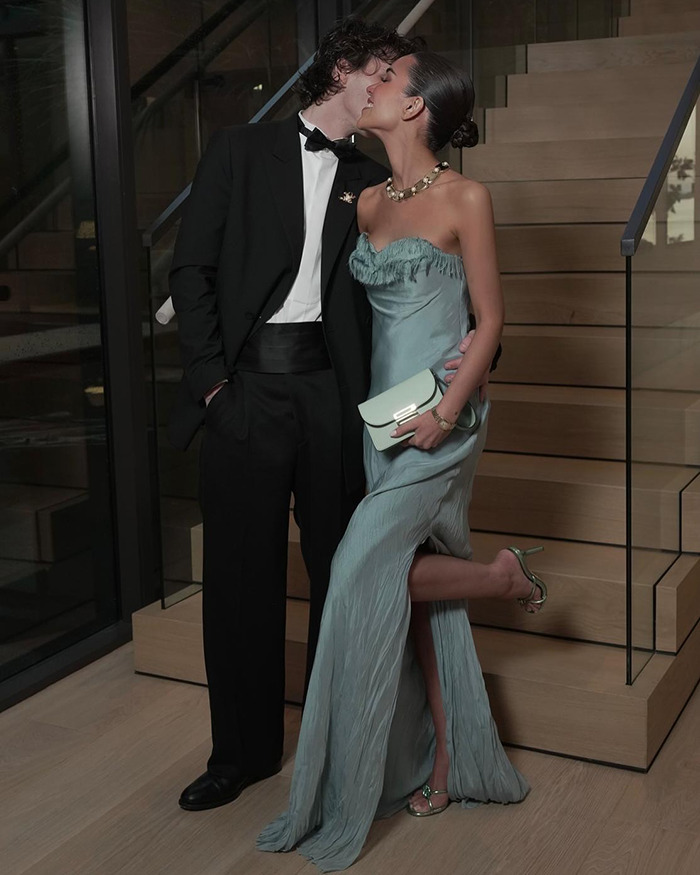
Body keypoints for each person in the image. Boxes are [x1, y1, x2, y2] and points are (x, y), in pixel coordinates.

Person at [257, 50, 547, 871]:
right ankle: (447, 752)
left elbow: (490, 320)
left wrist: (448, 410)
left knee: (358, 568)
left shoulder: (466, 197)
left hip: (444, 419)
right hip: (381, 421)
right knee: (415, 596)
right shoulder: (369, 201)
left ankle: (498, 581)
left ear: (416, 107)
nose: (372, 84)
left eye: (388, 79)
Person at [168, 19, 430, 813]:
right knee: (239, 583)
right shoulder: (238, 151)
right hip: (246, 393)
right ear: (344, 70)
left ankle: (331, 745)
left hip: (333, 399)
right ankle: (240, 754)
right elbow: (192, 269)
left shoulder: (375, 177)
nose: (394, 89)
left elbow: (410, 286)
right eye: (384, 72)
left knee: (340, 580)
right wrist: (214, 390)